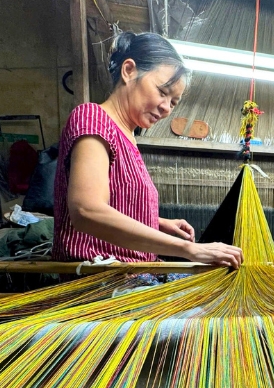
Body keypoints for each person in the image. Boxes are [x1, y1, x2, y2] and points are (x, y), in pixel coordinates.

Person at [53, 32, 243, 268]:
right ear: (129, 71)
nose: (166, 108)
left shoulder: (128, 138)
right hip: (99, 280)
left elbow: (117, 201)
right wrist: (188, 249)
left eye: (173, 102)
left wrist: (156, 222)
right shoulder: (93, 119)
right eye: (162, 92)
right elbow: (86, 211)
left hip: (131, 275)